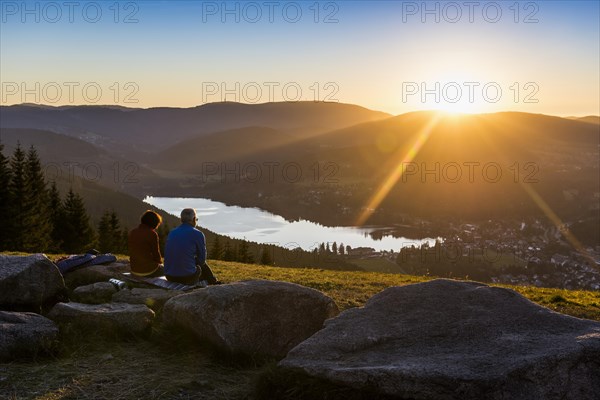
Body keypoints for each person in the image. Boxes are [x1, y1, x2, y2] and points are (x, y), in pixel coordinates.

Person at [164, 208, 220, 285]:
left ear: (181, 219)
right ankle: (213, 282)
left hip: (169, 277)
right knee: (201, 265)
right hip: (187, 278)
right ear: (193, 219)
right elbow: (202, 260)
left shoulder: (172, 232)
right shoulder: (198, 234)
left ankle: (213, 281)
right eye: (196, 219)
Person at [128, 210, 164, 277]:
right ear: (154, 223)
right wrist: (160, 263)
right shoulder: (152, 234)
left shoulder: (133, 232)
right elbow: (156, 254)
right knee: (166, 270)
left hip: (134, 269)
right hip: (148, 271)